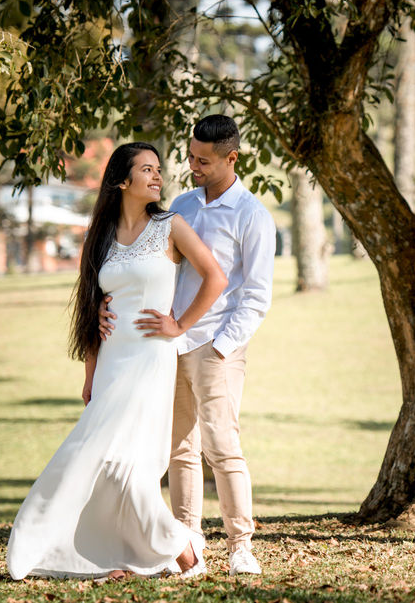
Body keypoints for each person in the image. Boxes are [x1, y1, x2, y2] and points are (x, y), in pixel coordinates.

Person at [6, 142, 228, 580]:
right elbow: (92, 312)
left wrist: (179, 325)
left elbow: (215, 277)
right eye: (147, 169)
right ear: (122, 180)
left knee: (127, 464)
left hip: (149, 362)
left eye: (159, 169)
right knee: (94, 456)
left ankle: (182, 548)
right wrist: (90, 378)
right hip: (111, 362)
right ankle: (134, 547)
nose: (157, 176)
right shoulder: (99, 237)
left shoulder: (171, 226)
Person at [100, 115, 275, 576]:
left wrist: (221, 346)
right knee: (180, 448)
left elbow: (256, 295)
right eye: (191, 156)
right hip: (168, 345)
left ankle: (241, 545)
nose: (193, 166)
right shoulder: (181, 206)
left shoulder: (252, 215)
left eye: (204, 160)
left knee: (222, 446)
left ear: (230, 158)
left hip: (216, 345)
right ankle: (188, 536)